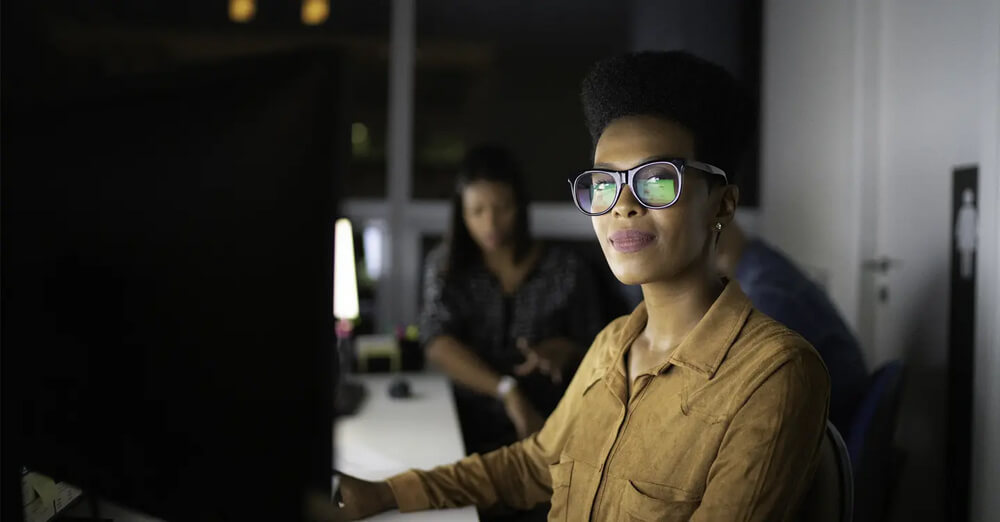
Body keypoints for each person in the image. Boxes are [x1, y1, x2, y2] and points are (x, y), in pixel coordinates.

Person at [320, 51, 830, 522]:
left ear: (722, 204)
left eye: (656, 179)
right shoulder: (612, 346)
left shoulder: (774, 376)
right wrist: (385, 494)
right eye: (604, 184)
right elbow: (533, 466)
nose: (623, 205)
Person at [419, 145, 607, 460]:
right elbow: (436, 341)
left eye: (502, 207)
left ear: (520, 205)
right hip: (463, 423)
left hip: (552, 425)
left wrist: (564, 350)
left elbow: (600, 345)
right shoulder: (446, 266)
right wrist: (508, 391)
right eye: (477, 211)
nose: (490, 224)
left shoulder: (565, 268)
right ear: (461, 213)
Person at [716, 221, 869, 432]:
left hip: (830, 424)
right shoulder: (762, 262)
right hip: (837, 411)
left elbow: (757, 398)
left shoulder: (766, 294)